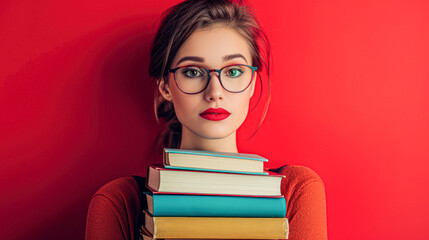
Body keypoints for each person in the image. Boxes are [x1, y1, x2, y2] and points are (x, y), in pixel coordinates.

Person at [85, 0, 327, 239]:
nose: (214, 92)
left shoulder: (294, 189)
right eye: (192, 71)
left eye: (233, 71)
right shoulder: (121, 201)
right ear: (165, 87)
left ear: (252, 83)